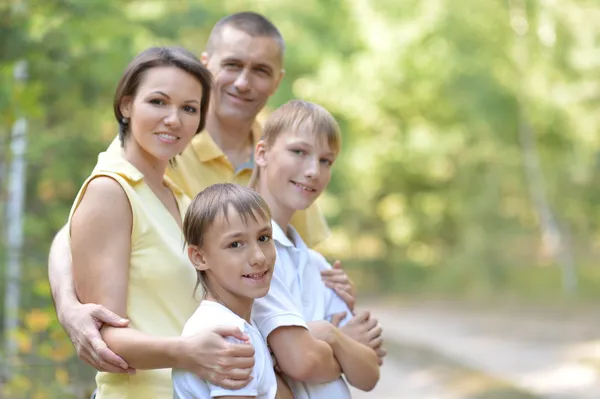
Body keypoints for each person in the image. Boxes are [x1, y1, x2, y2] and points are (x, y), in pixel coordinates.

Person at [48, 11, 355, 376]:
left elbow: (292, 270)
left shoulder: (290, 159)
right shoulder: (149, 158)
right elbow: (79, 230)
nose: (243, 82)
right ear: (208, 66)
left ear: (277, 81)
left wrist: (332, 304)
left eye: (260, 70)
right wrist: (68, 304)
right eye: (233, 64)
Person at [68, 46, 254, 398]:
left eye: (189, 108)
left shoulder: (180, 199)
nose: (174, 119)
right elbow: (104, 337)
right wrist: (188, 353)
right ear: (126, 105)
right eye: (158, 102)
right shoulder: (110, 190)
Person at [250, 99, 383, 398]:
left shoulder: (319, 265)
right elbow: (299, 362)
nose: (313, 171)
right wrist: (340, 345)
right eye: (299, 152)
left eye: (326, 161)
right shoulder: (245, 254)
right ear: (262, 153)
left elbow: (368, 374)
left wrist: (330, 335)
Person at [172, 183, 286, 399]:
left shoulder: (237, 325)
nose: (259, 257)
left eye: (264, 238)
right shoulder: (227, 334)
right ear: (199, 257)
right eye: (235, 244)